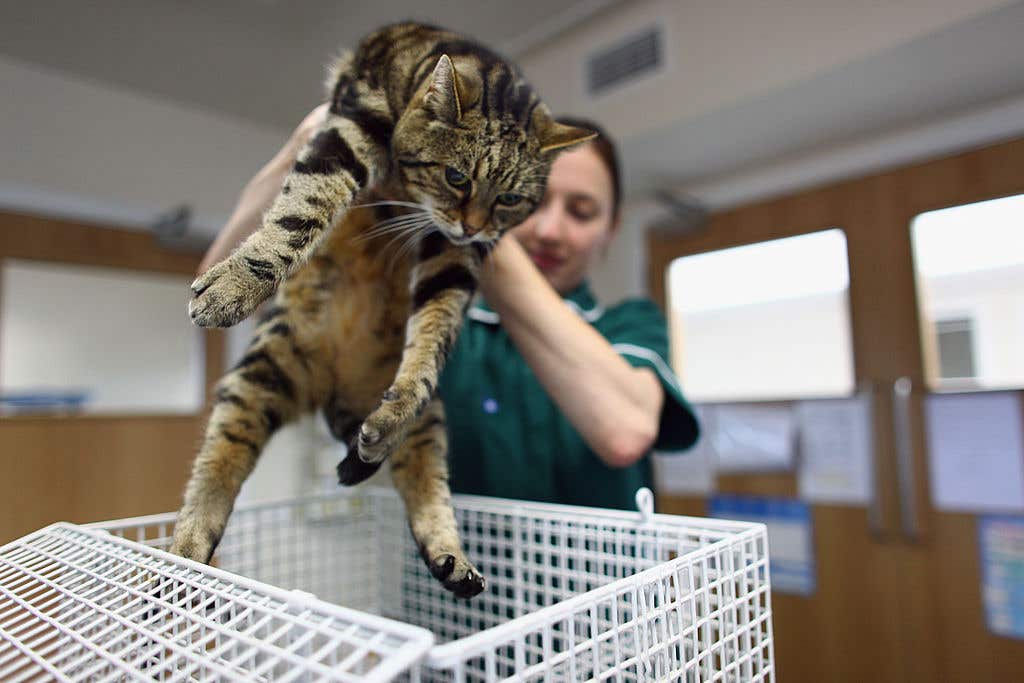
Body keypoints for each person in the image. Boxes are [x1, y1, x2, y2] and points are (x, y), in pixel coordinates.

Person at [199, 107, 699, 511]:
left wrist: (477, 218)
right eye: (532, 199)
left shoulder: (630, 324)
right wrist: (303, 151)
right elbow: (220, 297)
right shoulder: (427, 315)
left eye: (582, 211)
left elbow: (625, 432)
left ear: (612, 229)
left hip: (605, 626)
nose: (549, 230)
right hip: (452, 622)